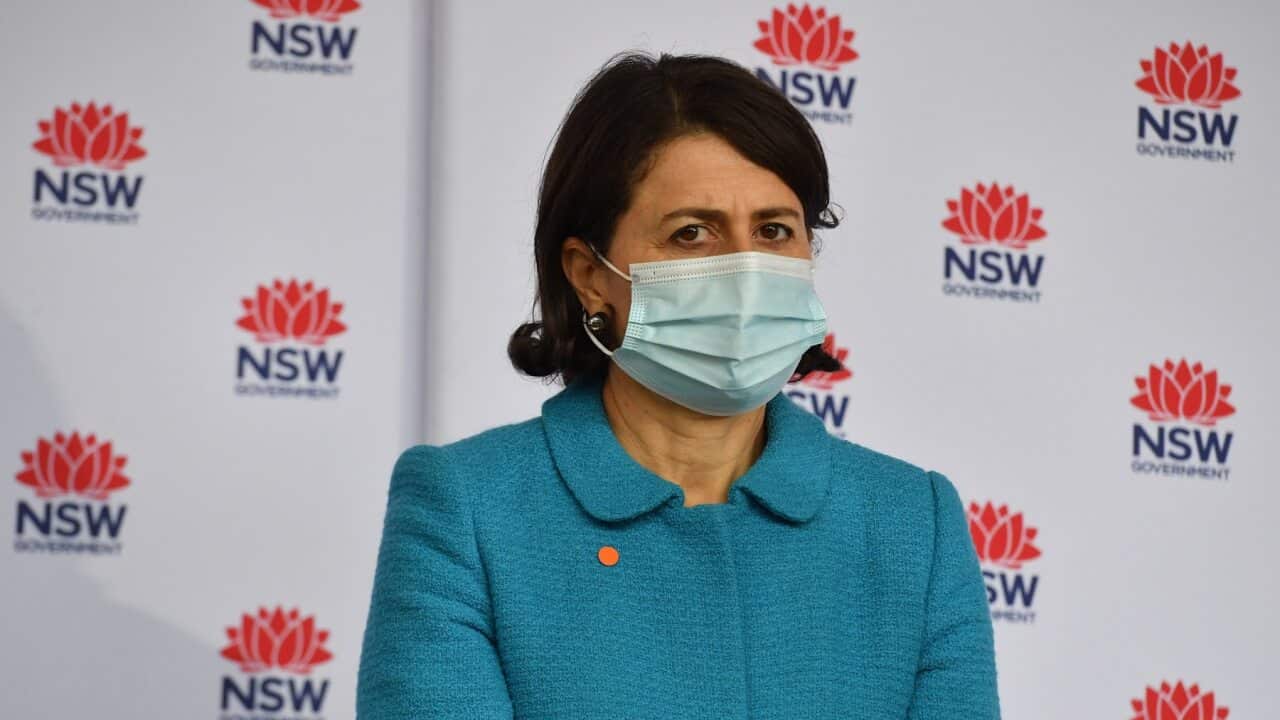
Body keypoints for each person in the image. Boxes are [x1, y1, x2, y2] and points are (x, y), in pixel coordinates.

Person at [356, 51, 1000, 719]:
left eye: (774, 231)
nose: (746, 272)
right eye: (692, 233)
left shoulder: (913, 524)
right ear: (589, 275)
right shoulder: (465, 510)